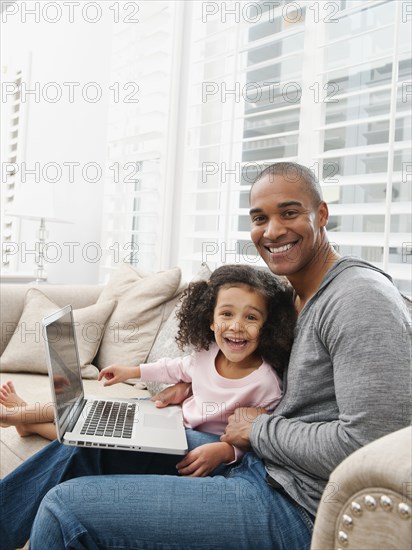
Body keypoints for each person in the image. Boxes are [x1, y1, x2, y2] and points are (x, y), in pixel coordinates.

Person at [0, 162, 410, 550]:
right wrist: (193, 382)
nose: (272, 230)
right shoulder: (297, 298)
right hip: (260, 466)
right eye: (259, 218)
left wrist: (259, 429)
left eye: (290, 213)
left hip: (295, 507)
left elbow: (370, 444)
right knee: (89, 443)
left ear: (321, 214)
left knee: (65, 510)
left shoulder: (359, 300)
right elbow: (293, 390)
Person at [97, 264, 295, 476]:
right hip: (176, 422)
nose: (237, 326)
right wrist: (131, 371)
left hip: (209, 446)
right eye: (227, 314)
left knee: (112, 445)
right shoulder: (207, 352)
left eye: (251, 317)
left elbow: (261, 439)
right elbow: (175, 368)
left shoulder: (266, 384)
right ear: (211, 320)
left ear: (267, 326)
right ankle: (63, 423)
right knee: (109, 424)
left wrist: (228, 451)